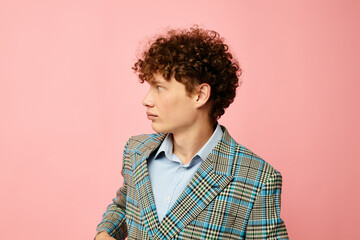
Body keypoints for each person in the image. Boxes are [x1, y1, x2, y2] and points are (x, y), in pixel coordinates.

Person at [95, 26, 289, 240]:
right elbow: (124, 205)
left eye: (159, 88)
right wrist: (104, 233)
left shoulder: (257, 179)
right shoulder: (137, 151)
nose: (146, 100)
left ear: (200, 95)